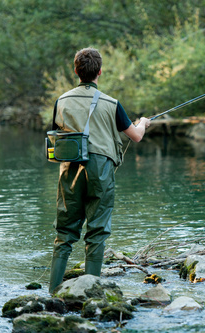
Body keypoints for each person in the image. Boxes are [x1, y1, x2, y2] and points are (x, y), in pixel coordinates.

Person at [48, 47, 151, 294]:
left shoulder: (61, 100)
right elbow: (135, 136)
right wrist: (144, 123)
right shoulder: (111, 103)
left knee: (64, 233)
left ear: (76, 71)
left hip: (69, 169)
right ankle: (91, 294)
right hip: (101, 169)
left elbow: (57, 134)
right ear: (100, 72)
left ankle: (52, 293)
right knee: (97, 230)